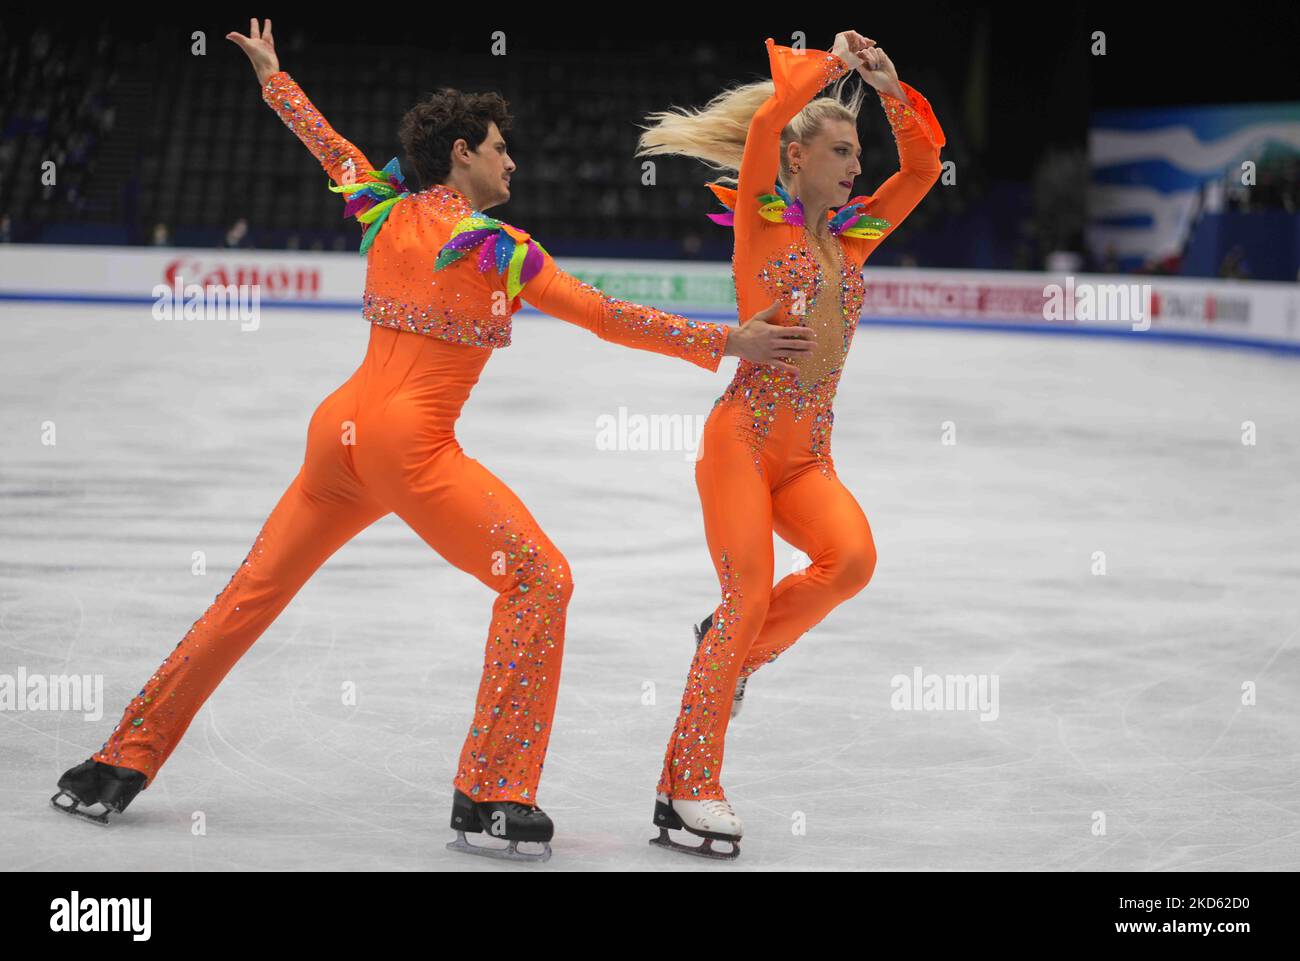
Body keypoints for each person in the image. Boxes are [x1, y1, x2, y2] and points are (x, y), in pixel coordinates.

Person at [50, 18, 812, 863]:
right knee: (540, 579)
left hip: (338, 438)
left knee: (247, 598)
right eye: (497, 148)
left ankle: (113, 764)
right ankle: (491, 793)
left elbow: (329, 146)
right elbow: (605, 314)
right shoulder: (493, 248)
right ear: (460, 155)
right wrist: (723, 342)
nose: (511, 161)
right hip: (409, 446)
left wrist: (275, 79)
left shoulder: (385, 208)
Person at [636, 30, 945, 858]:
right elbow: (771, 118)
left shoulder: (850, 237)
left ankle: (731, 654)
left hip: (808, 455)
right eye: (840, 152)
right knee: (747, 594)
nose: (854, 166)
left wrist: (886, 87)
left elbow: (919, 171)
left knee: (850, 559)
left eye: (856, 153)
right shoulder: (757, 223)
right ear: (798, 159)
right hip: (741, 441)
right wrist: (828, 67)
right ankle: (689, 786)